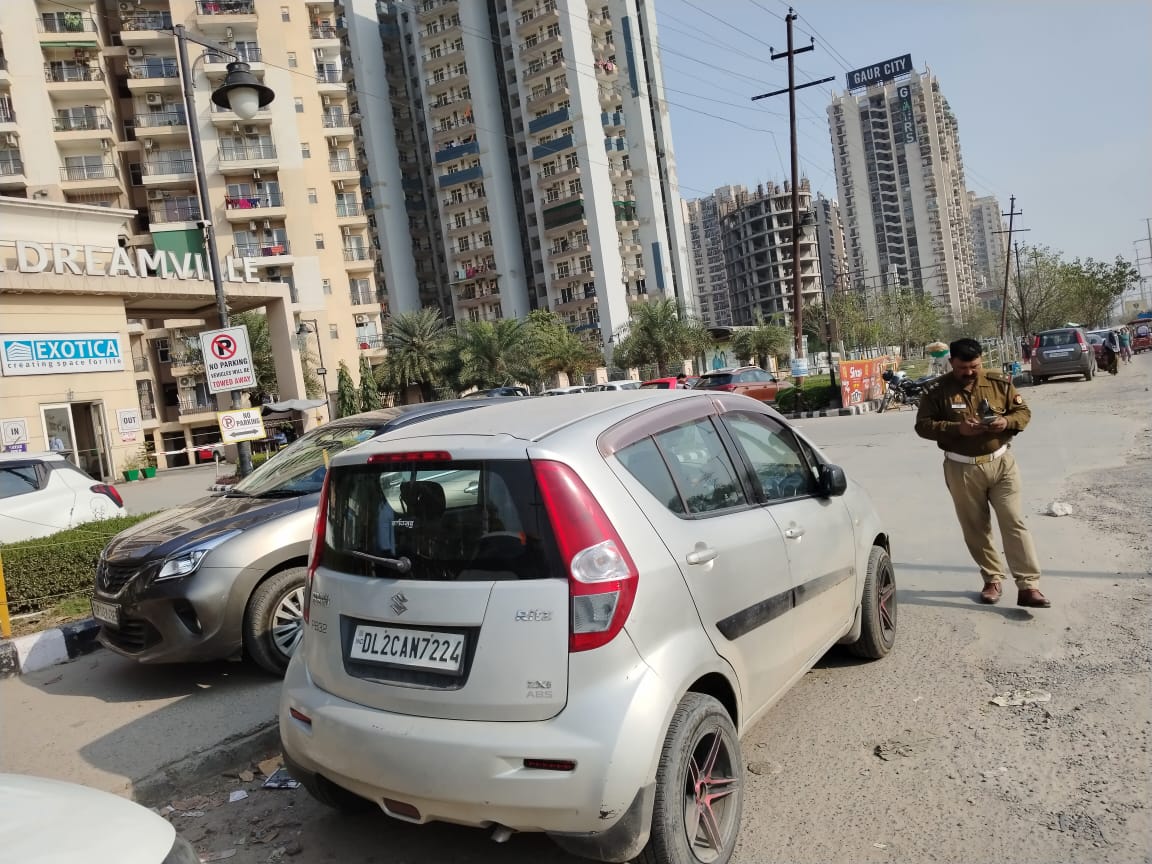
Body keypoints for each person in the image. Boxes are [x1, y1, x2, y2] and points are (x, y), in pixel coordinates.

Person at [914, 338, 1050, 608]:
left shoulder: (999, 382)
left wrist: (1006, 422)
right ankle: (992, 579)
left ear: (981, 361)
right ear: (951, 362)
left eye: (975, 366)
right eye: (963, 367)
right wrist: (957, 430)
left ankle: (1028, 586)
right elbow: (923, 426)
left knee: (1013, 521)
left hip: (1001, 463)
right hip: (961, 467)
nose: (970, 371)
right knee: (976, 528)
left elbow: (1022, 411)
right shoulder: (936, 390)